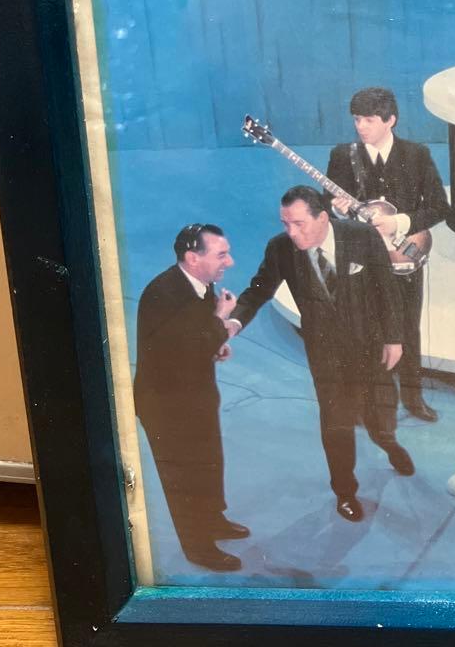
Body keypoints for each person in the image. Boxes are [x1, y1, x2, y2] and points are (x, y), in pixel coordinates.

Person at [226, 186, 410, 523]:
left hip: (370, 347)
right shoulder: (281, 248)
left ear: (323, 218)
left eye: (299, 224)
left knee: (377, 415)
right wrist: (234, 322)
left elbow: (387, 287)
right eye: (285, 224)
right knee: (336, 422)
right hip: (326, 354)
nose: (291, 233)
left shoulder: (361, 236)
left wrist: (394, 339)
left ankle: (388, 444)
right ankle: (345, 492)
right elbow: (258, 290)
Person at [325, 87, 449, 423]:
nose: (360, 127)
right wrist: (337, 210)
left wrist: (399, 222)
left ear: (390, 120)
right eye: (356, 119)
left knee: (408, 327)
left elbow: (440, 207)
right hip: (362, 258)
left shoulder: (417, 155)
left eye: (368, 120)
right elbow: (326, 203)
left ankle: (413, 398)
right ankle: (367, 402)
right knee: (363, 328)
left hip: (404, 256)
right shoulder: (343, 155)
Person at [133, 223, 247, 572]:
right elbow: (184, 347)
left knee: (209, 461)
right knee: (184, 476)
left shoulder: (201, 284)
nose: (230, 261)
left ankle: (212, 519)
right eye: (222, 254)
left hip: (195, 395)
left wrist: (217, 345)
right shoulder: (163, 294)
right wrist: (221, 319)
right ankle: (198, 547)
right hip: (166, 405)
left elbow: (196, 342)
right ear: (193, 258)